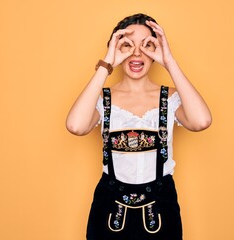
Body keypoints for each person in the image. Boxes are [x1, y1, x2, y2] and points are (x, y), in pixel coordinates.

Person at [66, 13, 212, 240]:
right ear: (115, 49)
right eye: (127, 45)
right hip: (109, 211)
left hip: (161, 211)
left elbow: (201, 121)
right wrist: (107, 63)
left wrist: (169, 61)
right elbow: (76, 126)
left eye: (146, 45)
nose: (136, 53)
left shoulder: (170, 98)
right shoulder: (102, 99)